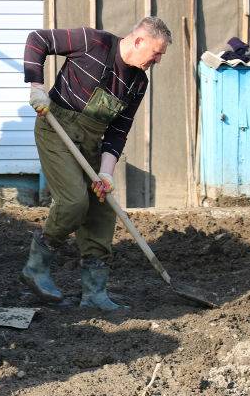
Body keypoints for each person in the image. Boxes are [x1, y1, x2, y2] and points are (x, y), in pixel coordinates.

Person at [21, 16, 171, 310]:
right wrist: (37, 86)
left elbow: (119, 130)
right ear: (139, 41)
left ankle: (94, 293)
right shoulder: (95, 42)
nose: (157, 60)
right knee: (74, 202)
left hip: (92, 143)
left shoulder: (138, 82)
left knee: (103, 210)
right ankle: (36, 266)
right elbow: (37, 40)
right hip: (57, 130)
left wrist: (106, 172)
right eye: (156, 53)